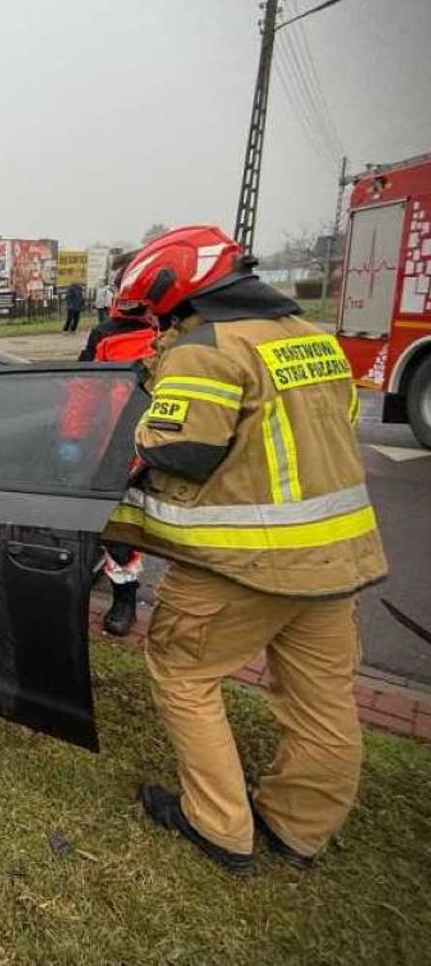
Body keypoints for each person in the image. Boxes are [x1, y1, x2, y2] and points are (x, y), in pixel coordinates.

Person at [104, 226, 386, 876]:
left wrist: (134, 442)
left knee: (182, 671)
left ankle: (219, 824)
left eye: (160, 312)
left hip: (244, 563)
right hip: (334, 558)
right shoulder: (315, 341)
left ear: (181, 290)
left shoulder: (207, 349)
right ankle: (299, 828)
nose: (162, 323)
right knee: (321, 699)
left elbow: (181, 450)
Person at [74, 259, 160, 637]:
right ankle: (121, 593)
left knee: (154, 528)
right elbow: (84, 388)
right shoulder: (106, 334)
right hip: (115, 441)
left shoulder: (185, 335)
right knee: (115, 525)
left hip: (162, 443)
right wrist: (73, 437)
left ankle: (127, 595)